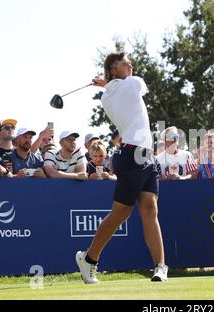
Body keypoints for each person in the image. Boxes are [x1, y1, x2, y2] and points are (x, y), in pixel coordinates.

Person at [75, 51, 168, 284]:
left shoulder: (107, 96)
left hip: (146, 157)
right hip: (132, 156)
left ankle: (160, 267)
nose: (131, 66)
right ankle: (89, 259)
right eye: (125, 64)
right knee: (121, 214)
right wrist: (107, 83)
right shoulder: (133, 84)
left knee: (150, 209)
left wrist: (106, 83)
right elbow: (127, 89)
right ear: (113, 69)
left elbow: (115, 90)